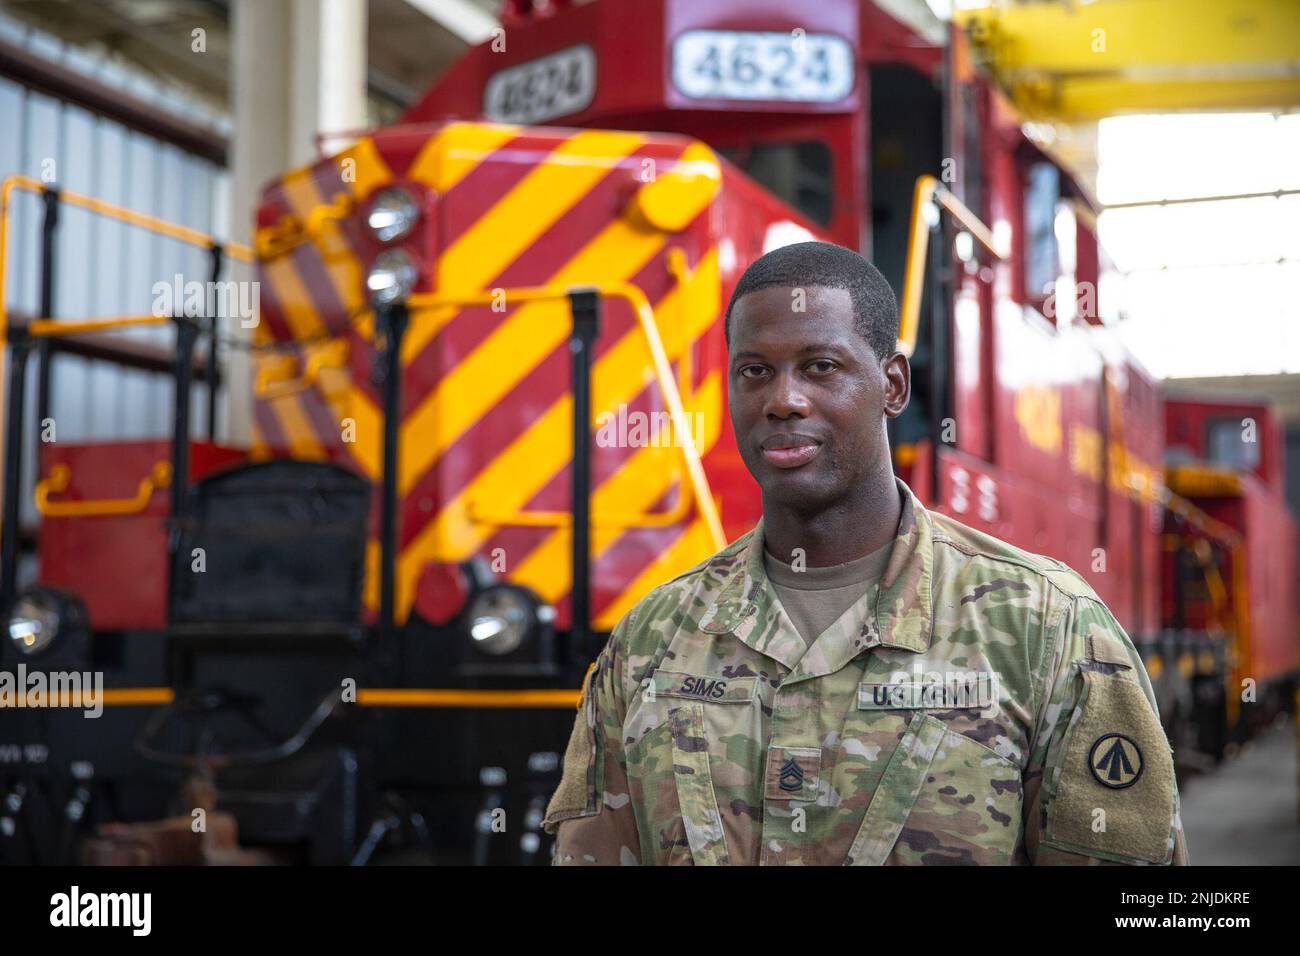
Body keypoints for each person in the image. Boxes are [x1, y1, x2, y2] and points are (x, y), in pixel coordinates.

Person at [543, 241, 1188, 865]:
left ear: (893, 386)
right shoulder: (650, 642)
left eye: (821, 367)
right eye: (754, 372)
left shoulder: (1046, 628)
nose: (782, 400)